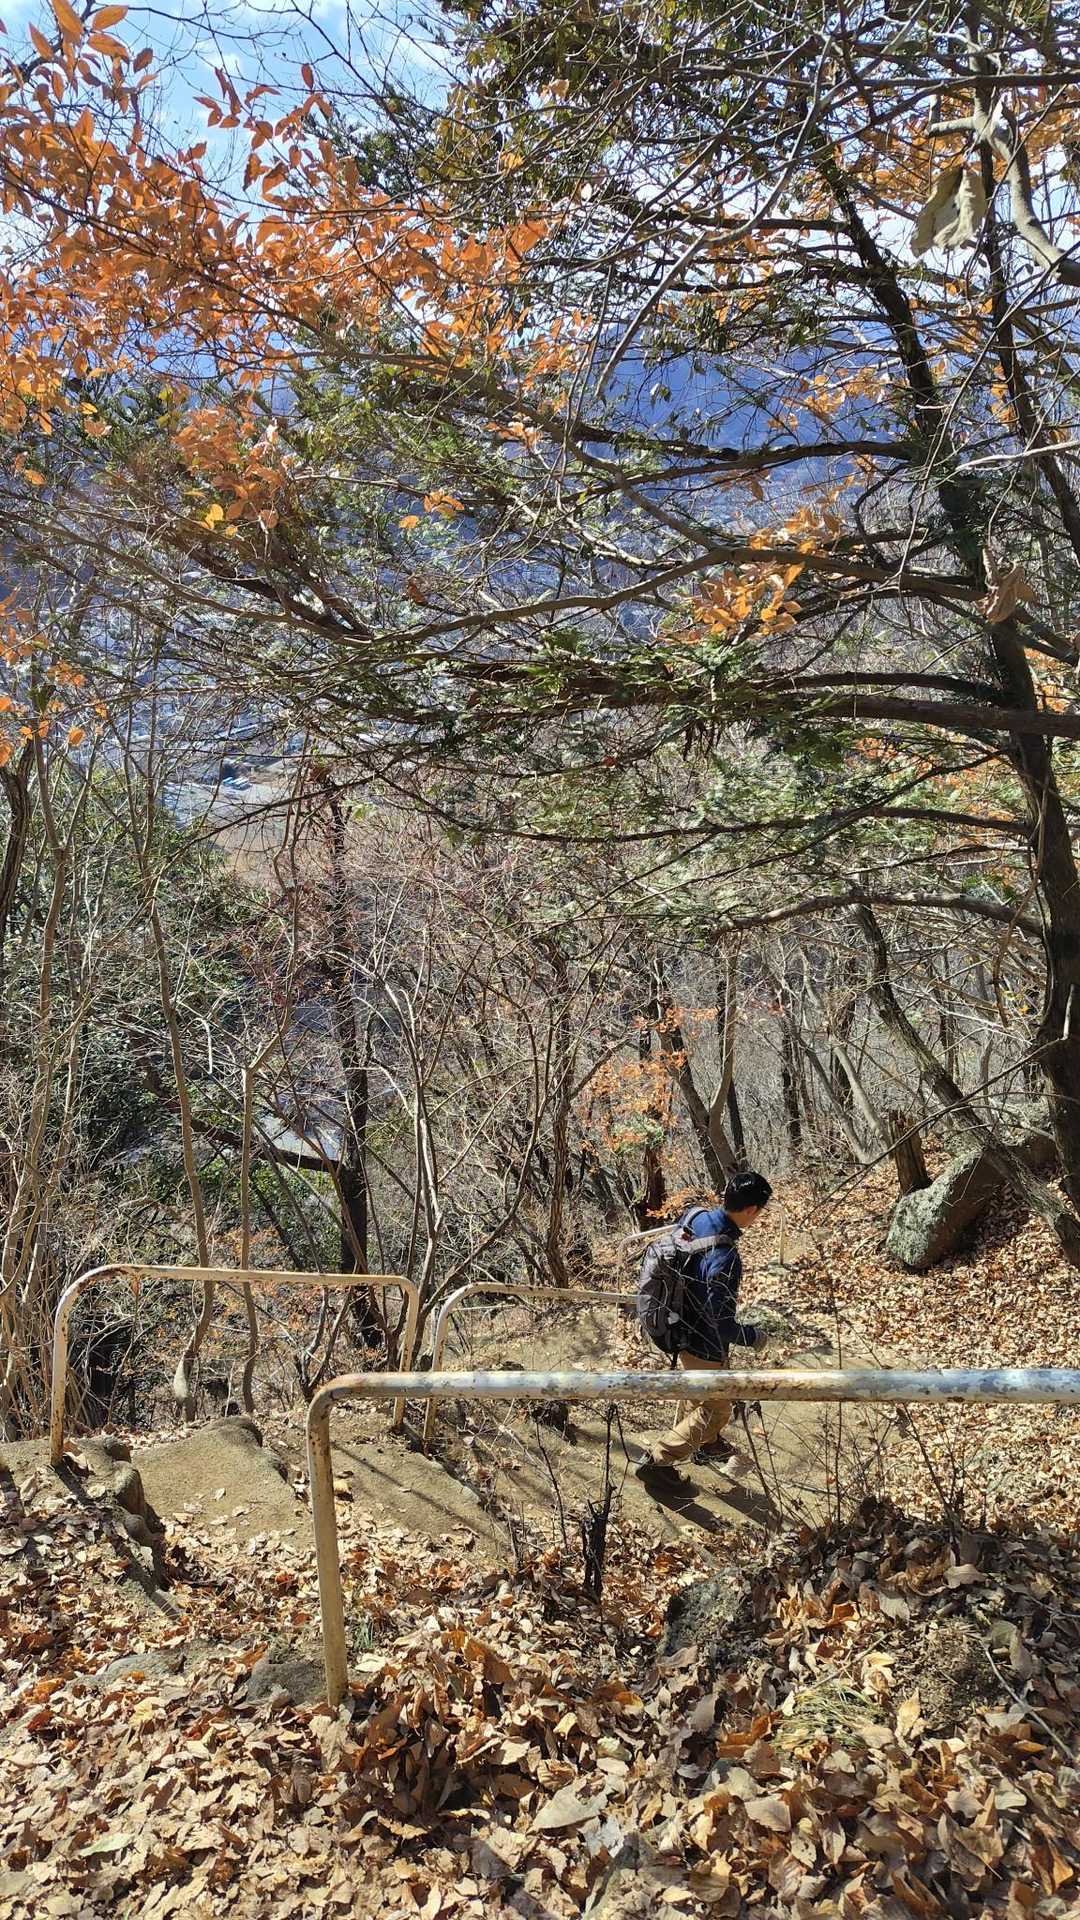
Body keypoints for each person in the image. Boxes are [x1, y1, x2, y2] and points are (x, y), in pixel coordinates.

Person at [637, 1168, 773, 1483]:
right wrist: (753, 1336)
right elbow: (721, 1323)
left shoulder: (695, 1216)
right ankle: (657, 1461)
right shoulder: (725, 1257)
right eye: (759, 1213)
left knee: (699, 1394)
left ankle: (706, 1444)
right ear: (751, 1210)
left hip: (675, 1322)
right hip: (701, 1341)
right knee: (717, 1410)